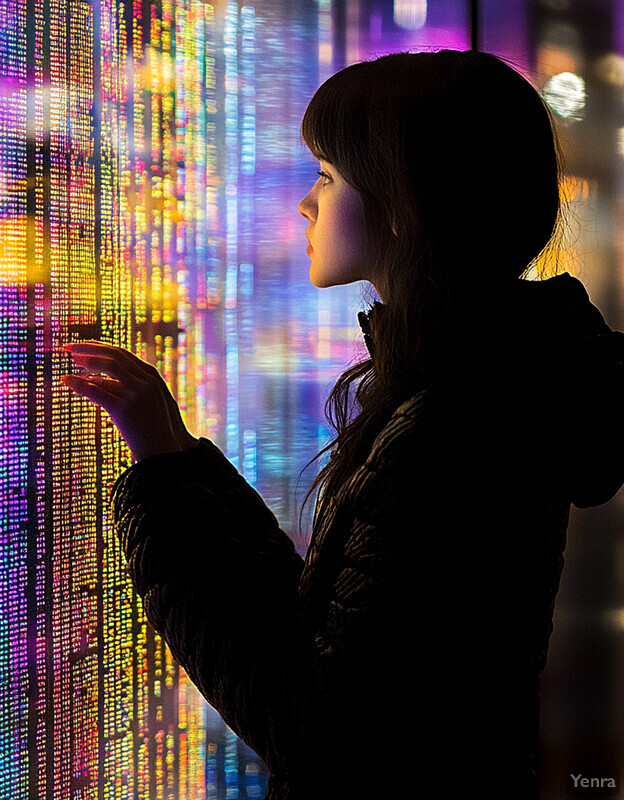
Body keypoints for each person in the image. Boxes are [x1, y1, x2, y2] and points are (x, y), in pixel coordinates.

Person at [62, 50, 624, 799]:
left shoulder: (453, 430)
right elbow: (328, 634)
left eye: (326, 176)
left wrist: (166, 481)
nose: (306, 203)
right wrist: (179, 464)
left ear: (403, 201)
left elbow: (320, 731)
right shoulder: (483, 388)